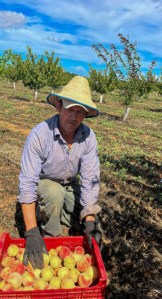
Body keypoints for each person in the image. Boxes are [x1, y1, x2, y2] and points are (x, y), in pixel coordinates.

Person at [18, 76, 103, 269]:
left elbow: (89, 180)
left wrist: (89, 219)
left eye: (80, 111)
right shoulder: (40, 134)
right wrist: (31, 232)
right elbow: (28, 183)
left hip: (70, 185)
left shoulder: (88, 137)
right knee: (53, 192)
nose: (74, 116)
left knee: (92, 222)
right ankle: (51, 236)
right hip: (45, 184)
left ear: (85, 115)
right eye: (70, 109)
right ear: (59, 106)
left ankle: (56, 214)